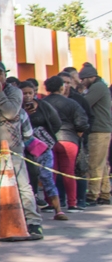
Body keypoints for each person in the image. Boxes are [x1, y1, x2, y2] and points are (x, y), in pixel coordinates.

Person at [0, 62, 43, 239]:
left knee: (23, 185)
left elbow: (11, 112)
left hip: (14, 146)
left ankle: (33, 222)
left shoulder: (14, 91)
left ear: (5, 75)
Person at [20, 80, 68, 221]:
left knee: (46, 176)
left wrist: (44, 136)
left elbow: (56, 123)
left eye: (30, 93)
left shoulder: (44, 106)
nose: (27, 96)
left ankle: (58, 210)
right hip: (23, 149)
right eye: (24, 93)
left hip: (42, 147)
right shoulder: (17, 108)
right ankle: (31, 211)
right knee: (29, 178)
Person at [41, 75, 87, 210]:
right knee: (69, 172)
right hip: (69, 140)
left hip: (48, 141)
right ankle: (72, 204)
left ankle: (51, 203)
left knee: (49, 173)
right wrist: (77, 132)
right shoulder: (72, 103)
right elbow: (82, 122)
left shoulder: (42, 103)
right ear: (61, 88)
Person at [78, 63, 112, 205]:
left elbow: (84, 104)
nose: (82, 82)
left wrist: (78, 92)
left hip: (99, 130)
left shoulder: (97, 87)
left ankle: (93, 195)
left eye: (83, 79)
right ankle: (104, 193)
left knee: (94, 164)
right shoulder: (100, 86)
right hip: (103, 130)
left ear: (90, 77)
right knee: (102, 164)